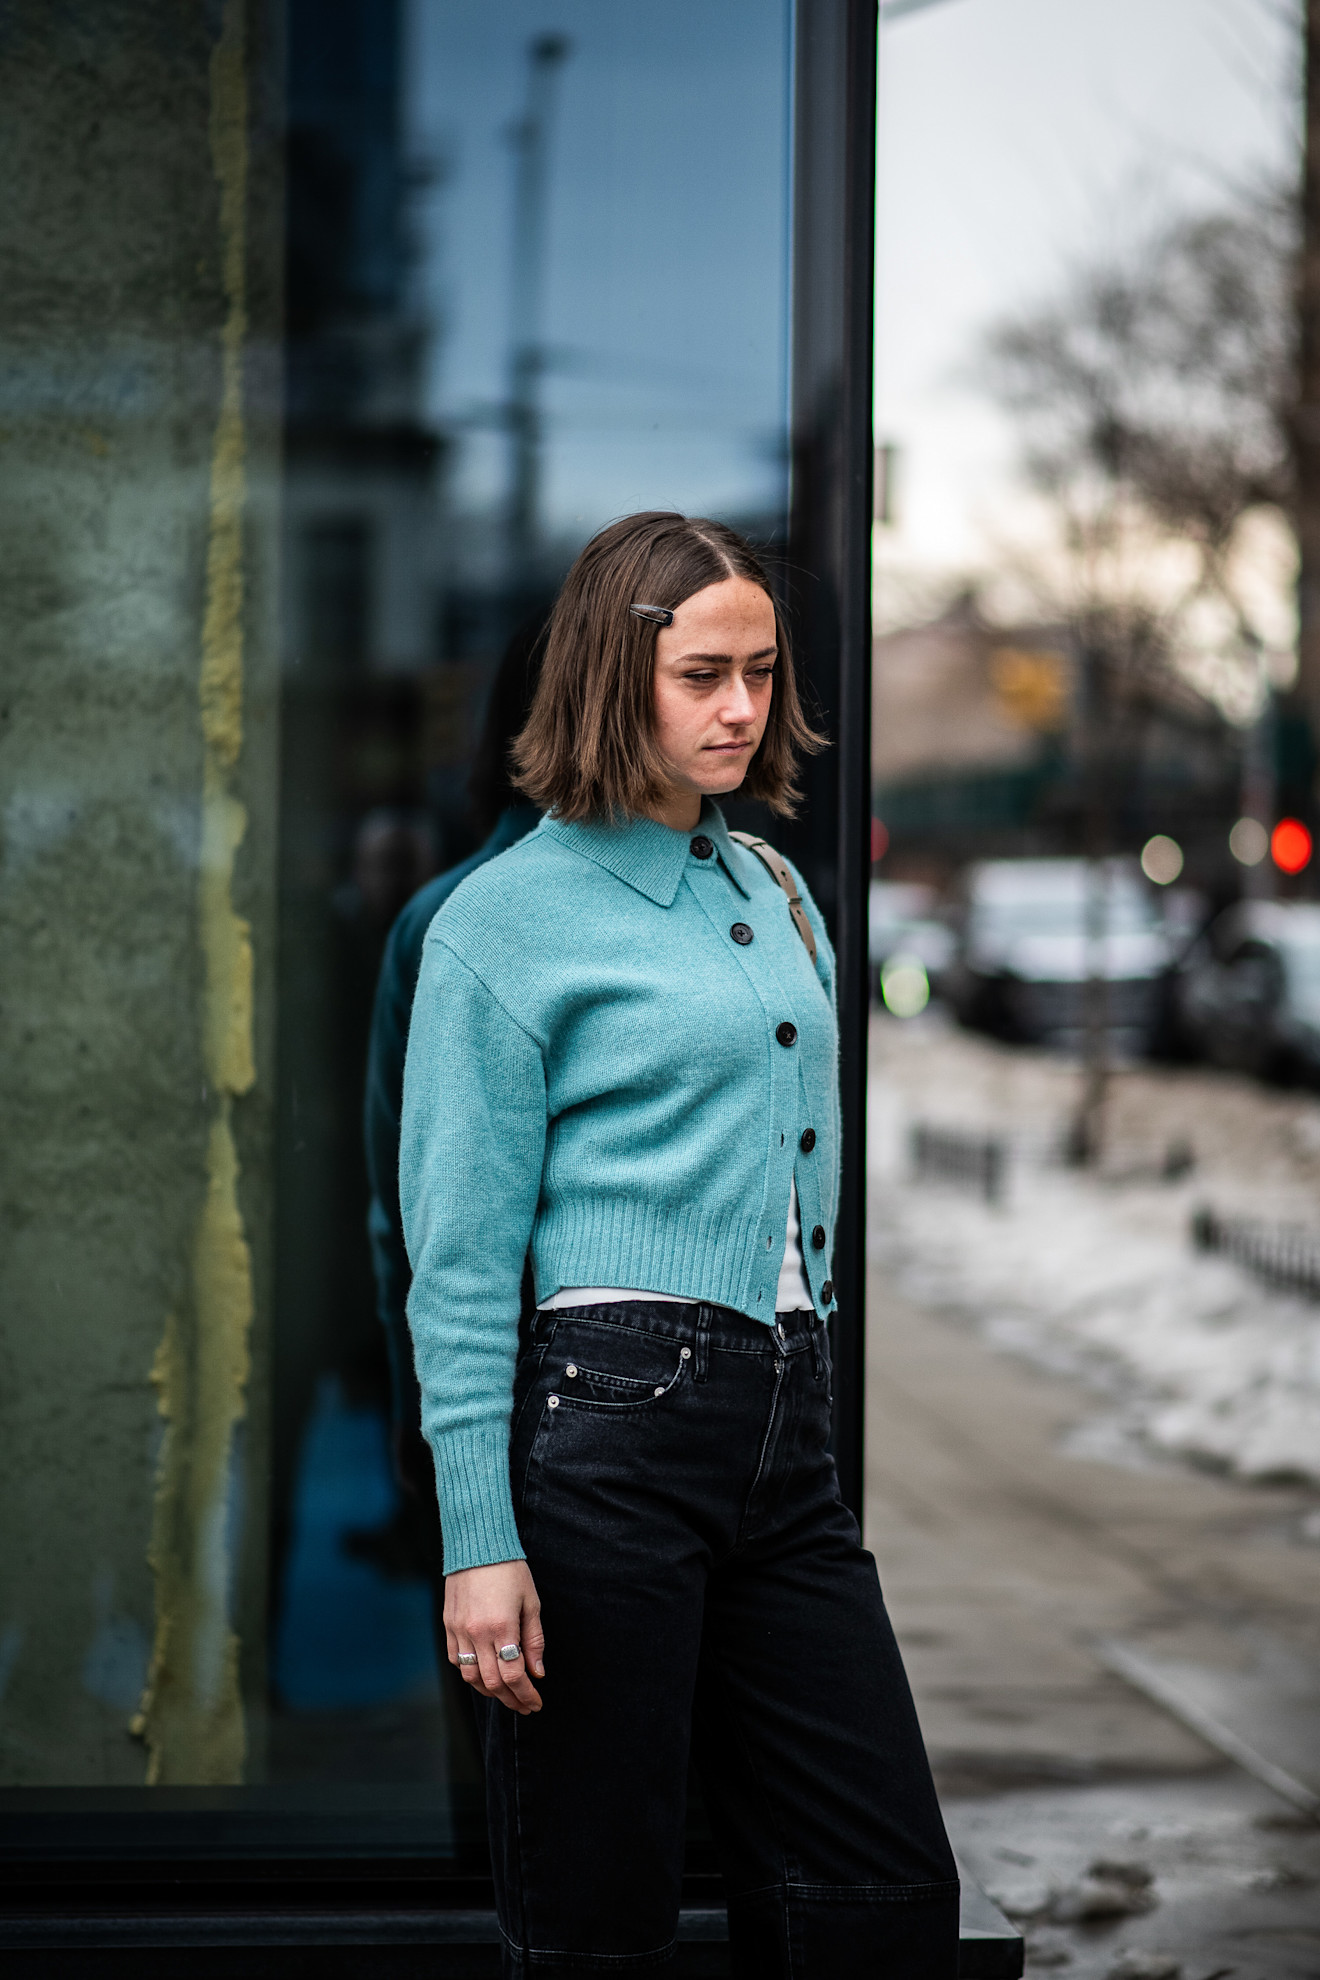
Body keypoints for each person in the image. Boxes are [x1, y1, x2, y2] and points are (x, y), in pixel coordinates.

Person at [400, 512, 959, 1977]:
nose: (741, 708)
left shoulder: (772, 890)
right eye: (703, 674)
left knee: (883, 1889)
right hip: (609, 1428)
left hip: (787, 1427)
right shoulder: (500, 924)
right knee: (601, 1915)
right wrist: (479, 1540)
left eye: (762, 674)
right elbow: (457, 1260)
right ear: (610, 675)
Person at [365, 613, 545, 1505]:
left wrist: (420, 1420)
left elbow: (401, 1216)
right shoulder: (457, 922)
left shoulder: (436, 915)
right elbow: (415, 1211)